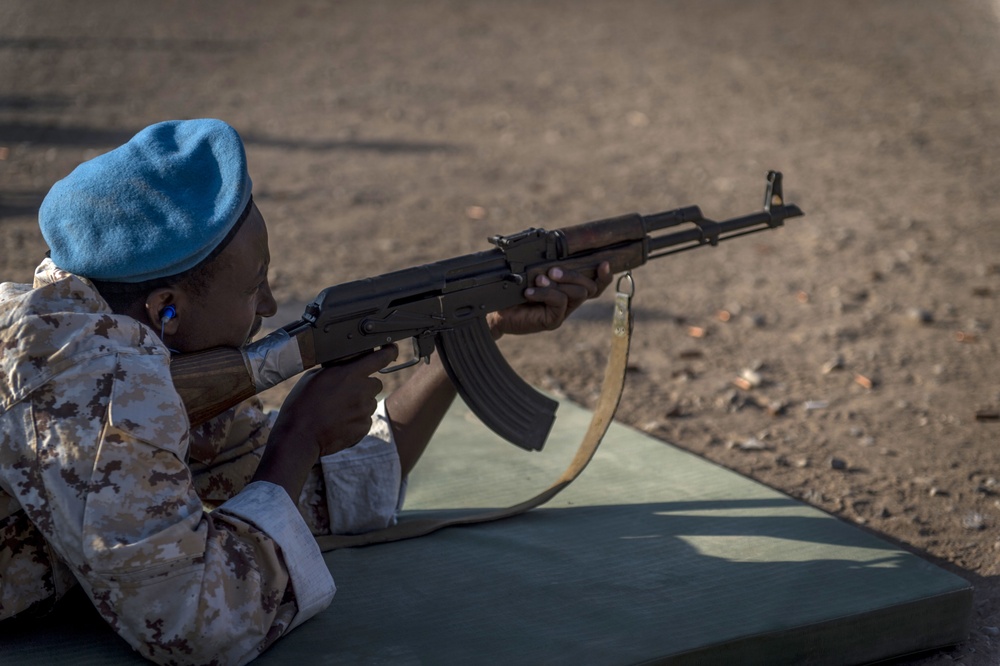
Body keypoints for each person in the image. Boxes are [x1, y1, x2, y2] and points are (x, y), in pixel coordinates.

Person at [0, 119, 611, 665]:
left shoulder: (122, 343)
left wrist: (476, 328)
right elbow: (196, 627)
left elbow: (326, 498)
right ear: (166, 309)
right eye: (256, 287)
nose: (268, 307)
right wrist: (296, 438)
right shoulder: (95, 394)